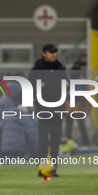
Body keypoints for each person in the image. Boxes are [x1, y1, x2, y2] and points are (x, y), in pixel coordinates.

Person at [28, 43, 68, 177]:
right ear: (43, 53)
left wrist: (46, 85)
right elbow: (31, 86)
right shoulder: (37, 68)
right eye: (51, 52)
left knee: (56, 140)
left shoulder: (60, 66)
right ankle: (42, 168)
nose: (53, 54)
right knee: (43, 139)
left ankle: (53, 168)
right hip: (43, 107)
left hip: (58, 107)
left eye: (54, 52)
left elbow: (65, 84)